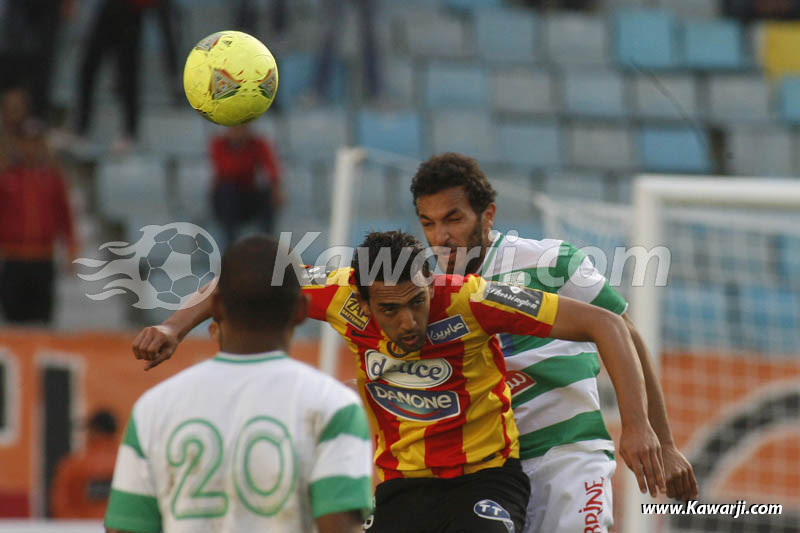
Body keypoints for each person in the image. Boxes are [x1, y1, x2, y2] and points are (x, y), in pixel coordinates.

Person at [132, 230, 665, 532]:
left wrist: (638, 427)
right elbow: (246, 280)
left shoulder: (471, 297)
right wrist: (173, 325)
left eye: (418, 301)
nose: (410, 321)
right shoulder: (338, 297)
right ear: (361, 302)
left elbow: (606, 323)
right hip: (403, 486)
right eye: (391, 310)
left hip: (486, 478)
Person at [410, 152, 698, 532]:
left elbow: (624, 334)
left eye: (453, 219)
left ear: (488, 215)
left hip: (569, 455)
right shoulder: (426, 294)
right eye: (428, 223)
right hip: (489, 468)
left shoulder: (550, 260)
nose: (440, 237)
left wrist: (659, 438)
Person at [105, 235, 372, 533]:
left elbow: (124, 528)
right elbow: (338, 526)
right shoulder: (335, 406)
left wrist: (172, 327)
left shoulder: (153, 409)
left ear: (217, 307)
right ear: (301, 311)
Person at [74, 0, 180, 151]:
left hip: (132, 9)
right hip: (115, 7)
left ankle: (129, 132)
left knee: (127, 70)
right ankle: (81, 128)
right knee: (90, 64)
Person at [0, 118, 77, 324]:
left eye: (35, 141)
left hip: (43, 258)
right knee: (13, 319)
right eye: (26, 141)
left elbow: (65, 216)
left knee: (42, 318)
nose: (30, 147)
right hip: (13, 258)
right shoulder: (6, 177)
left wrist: (71, 249)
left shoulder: (52, 178)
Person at [209, 124, 284, 248]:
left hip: (247, 195)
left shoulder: (258, 144)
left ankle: (268, 246)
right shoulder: (219, 144)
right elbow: (226, 171)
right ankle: (230, 246)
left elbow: (271, 167)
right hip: (227, 200)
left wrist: (276, 186)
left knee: (267, 194)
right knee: (227, 191)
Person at [50, 410, 118, 519]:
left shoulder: (73, 464)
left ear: (94, 431)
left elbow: (60, 504)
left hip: (81, 527)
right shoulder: (126, 463)